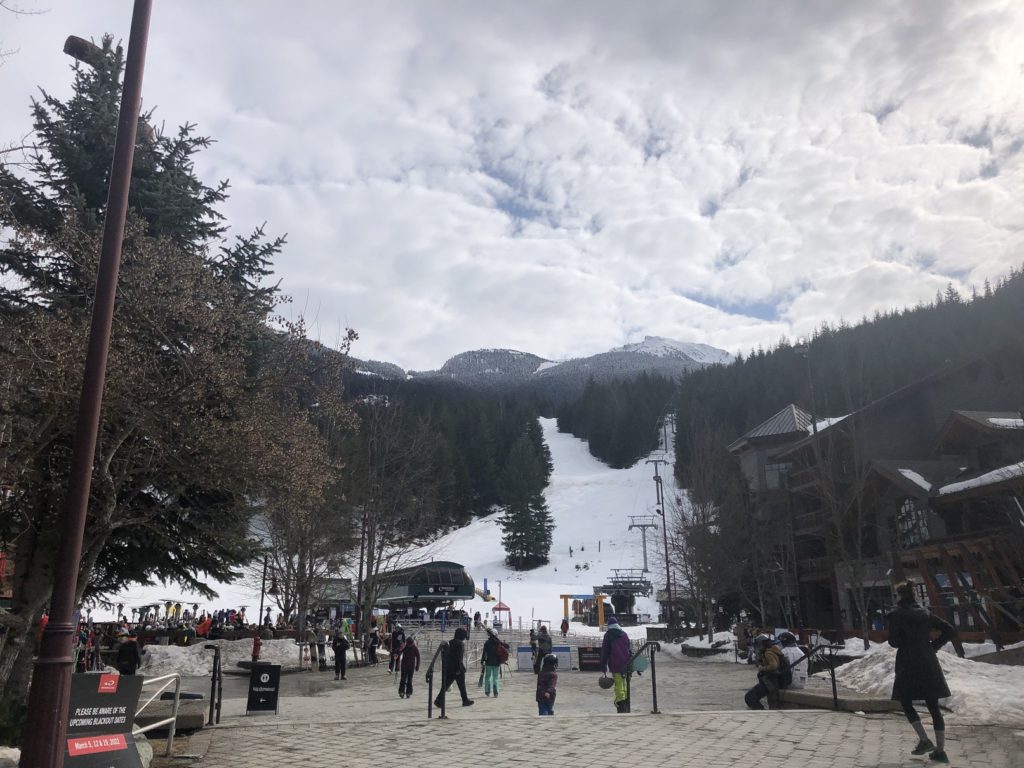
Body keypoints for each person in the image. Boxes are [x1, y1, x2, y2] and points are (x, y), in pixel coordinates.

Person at [887, 580, 957, 764]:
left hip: (908, 662)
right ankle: (940, 751)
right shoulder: (925, 613)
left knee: (906, 701)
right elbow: (949, 629)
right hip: (927, 660)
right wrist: (933, 646)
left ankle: (924, 740)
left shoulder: (896, 615)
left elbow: (893, 642)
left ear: (900, 596)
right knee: (933, 706)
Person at [434, 627, 474, 708]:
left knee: (446, 685)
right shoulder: (460, 644)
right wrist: (459, 668)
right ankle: (465, 700)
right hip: (457, 668)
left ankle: (439, 700)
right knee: (461, 685)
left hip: (449, 667)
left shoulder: (449, 642)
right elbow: (459, 658)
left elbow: (444, 655)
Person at [600, 616, 631, 712]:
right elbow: (629, 648)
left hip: (615, 663)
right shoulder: (624, 634)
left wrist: (603, 665)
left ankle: (620, 705)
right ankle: (625, 703)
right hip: (626, 663)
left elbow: (605, 651)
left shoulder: (608, 635)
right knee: (624, 683)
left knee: (618, 684)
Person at [744, 635, 784, 709]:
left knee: (749, 697)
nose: (758, 647)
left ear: (763, 644)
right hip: (772, 681)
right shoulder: (772, 650)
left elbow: (773, 665)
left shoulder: (768, 653)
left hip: (770, 681)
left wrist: (762, 668)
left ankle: (761, 712)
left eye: (759, 645)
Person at [480, 629, 509, 697]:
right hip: (497, 663)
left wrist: (482, 661)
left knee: (487, 677)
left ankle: (487, 691)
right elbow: (507, 646)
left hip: (488, 662)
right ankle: (496, 693)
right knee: (495, 678)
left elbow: (484, 653)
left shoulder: (487, 643)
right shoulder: (498, 642)